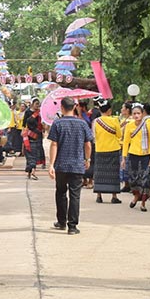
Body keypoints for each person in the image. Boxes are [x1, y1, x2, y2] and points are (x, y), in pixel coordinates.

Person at [48, 97, 94, 235]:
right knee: (75, 195)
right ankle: (72, 226)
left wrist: (51, 164)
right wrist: (87, 159)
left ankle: (61, 222)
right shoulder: (82, 124)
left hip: (61, 165)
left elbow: (54, 144)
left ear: (61, 108)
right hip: (77, 164)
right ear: (74, 107)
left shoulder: (57, 124)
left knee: (61, 192)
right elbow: (88, 144)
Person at [121, 104, 150, 212]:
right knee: (133, 179)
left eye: (138, 113)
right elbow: (126, 142)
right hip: (133, 154)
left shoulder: (148, 124)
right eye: (134, 113)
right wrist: (123, 158)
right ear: (132, 114)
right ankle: (136, 196)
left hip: (145, 155)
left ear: (142, 114)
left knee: (145, 179)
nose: (136, 116)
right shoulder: (129, 125)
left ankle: (143, 203)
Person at [92, 99, 122, 204]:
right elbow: (119, 135)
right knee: (113, 173)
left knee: (100, 172)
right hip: (113, 149)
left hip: (100, 149)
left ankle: (99, 196)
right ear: (109, 110)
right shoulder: (114, 121)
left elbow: (94, 136)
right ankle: (114, 196)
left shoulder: (96, 121)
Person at [22, 116, 42, 180]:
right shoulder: (38, 131)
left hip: (27, 145)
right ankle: (33, 172)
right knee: (34, 159)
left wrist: (22, 149)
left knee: (29, 159)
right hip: (35, 145)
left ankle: (29, 174)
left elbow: (23, 140)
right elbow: (40, 139)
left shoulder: (26, 131)